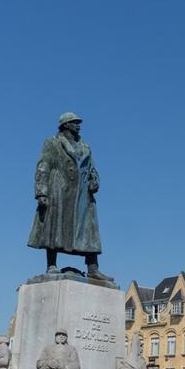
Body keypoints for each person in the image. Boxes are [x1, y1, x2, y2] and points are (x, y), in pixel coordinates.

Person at [28, 112, 112, 281]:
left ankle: (93, 268)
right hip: (59, 189)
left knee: (89, 229)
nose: (78, 125)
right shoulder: (53, 143)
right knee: (54, 227)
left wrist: (95, 181)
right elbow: (43, 167)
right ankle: (51, 265)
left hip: (82, 194)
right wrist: (42, 191)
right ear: (65, 125)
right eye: (75, 122)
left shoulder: (85, 147)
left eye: (78, 122)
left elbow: (92, 169)